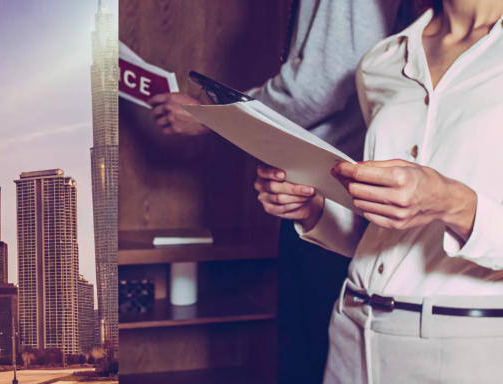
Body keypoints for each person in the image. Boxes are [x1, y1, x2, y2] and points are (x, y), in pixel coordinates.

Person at [148, 1, 407, 382]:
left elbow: (320, 85)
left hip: (334, 193)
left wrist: (214, 116)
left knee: (309, 357)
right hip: (320, 192)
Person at [254, 0, 503, 382]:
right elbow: (383, 235)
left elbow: (435, 204)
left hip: (467, 343)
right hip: (351, 330)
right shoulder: (381, 61)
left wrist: (452, 202)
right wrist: (312, 209)